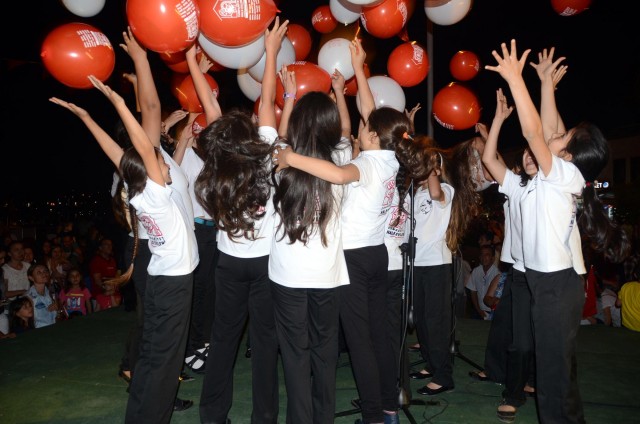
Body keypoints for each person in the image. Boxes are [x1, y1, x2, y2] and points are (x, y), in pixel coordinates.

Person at [486, 39, 630, 424]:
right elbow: (548, 130)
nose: (558, 132)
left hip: (554, 284)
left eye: (566, 137)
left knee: (551, 380)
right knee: (558, 374)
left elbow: (536, 133)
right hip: (548, 282)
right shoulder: (557, 174)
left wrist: (516, 79)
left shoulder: (564, 174)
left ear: (569, 154)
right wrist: (546, 86)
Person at [275, 36, 412, 424]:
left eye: (367, 126)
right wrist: (359, 71)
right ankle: (388, 404)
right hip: (378, 256)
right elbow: (369, 112)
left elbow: (336, 174)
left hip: (353, 259)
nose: (362, 124)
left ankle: (373, 414)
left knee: (360, 341)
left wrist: (290, 157)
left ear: (373, 136)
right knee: (379, 335)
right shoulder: (391, 159)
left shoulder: (366, 164)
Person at [50, 71, 198, 423]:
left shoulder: (138, 188)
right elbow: (142, 147)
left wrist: (87, 118)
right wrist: (116, 100)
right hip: (174, 284)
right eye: (160, 161)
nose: (165, 163)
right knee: (165, 361)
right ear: (150, 171)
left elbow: (117, 152)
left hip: (160, 279)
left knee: (152, 352)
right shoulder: (157, 194)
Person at [195, 18, 287, 424]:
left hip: (229, 265)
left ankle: (213, 416)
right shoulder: (265, 154)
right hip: (266, 265)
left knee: (224, 340)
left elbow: (211, 111)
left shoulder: (215, 165)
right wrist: (270, 52)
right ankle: (264, 417)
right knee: (266, 343)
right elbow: (266, 100)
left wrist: (195, 67)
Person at [269, 64, 351, 422]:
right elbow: (345, 131)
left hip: (287, 276)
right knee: (325, 352)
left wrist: (289, 96)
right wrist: (340, 94)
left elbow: (280, 136)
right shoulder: (342, 158)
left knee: (295, 356)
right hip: (327, 276)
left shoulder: (279, 160)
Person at [465, 245, 500, 320]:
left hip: (493, 312)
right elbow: (473, 292)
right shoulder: (476, 271)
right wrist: (479, 310)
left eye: (487, 255)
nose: (484, 257)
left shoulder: (497, 273)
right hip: (478, 311)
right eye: (482, 255)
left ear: (493, 258)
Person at [25, 264, 58, 328]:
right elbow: (28, 322)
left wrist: (57, 307)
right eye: (39, 272)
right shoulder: (29, 297)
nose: (44, 274)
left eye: (45, 271)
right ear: (31, 278)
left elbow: (56, 312)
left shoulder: (50, 292)